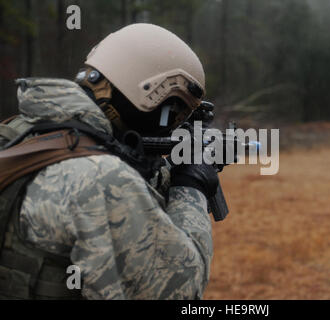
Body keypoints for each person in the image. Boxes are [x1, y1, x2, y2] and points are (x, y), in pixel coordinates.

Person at [0, 24, 217, 300]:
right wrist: (191, 186)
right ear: (152, 95)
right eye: (172, 112)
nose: (171, 126)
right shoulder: (103, 178)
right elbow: (181, 289)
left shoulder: (17, 132)